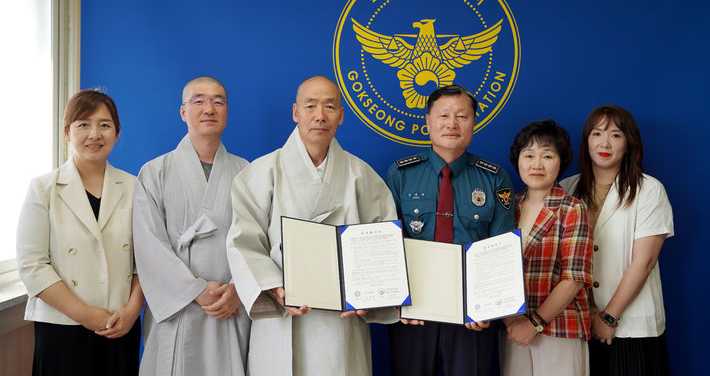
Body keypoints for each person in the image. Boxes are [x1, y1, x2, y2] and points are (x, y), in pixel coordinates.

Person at [226, 75, 397, 376]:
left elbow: (383, 244)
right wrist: (274, 288)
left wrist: (369, 294)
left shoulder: (363, 177)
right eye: (311, 106)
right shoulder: (262, 172)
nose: (320, 115)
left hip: (342, 320)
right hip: (284, 316)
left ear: (341, 115)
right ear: (295, 112)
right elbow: (243, 242)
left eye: (330, 106)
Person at [384, 84, 515, 376]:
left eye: (462, 116)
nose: (452, 124)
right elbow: (387, 244)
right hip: (413, 311)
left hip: (472, 313)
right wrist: (395, 300)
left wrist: (488, 307)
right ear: (428, 121)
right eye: (443, 115)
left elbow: (501, 247)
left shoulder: (493, 178)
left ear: (474, 122)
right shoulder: (401, 174)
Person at [16, 90, 143, 375]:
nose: (94, 134)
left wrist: (133, 309)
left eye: (104, 124)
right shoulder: (43, 189)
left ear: (117, 133)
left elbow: (146, 260)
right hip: (62, 326)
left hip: (119, 325)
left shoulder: (135, 188)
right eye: (83, 124)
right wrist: (85, 315)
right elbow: (32, 265)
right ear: (66, 133)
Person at [133, 76, 250, 376]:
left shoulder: (247, 172)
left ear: (226, 111)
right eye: (198, 100)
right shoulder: (155, 172)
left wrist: (239, 290)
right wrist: (194, 290)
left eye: (218, 101)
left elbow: (259, 242)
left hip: (228, 306)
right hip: (178, 307)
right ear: (183, 111)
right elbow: (148, 247)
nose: (209, 108)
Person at [560, 105, 673, 376]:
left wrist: (609, 316)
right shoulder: (566, 189)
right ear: (586, 140)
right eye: (597, 133)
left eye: (615, 135)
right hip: (580, 321)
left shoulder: (649, 190)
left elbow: (643, 262)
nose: (604, 143)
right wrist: (590, 312)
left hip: (632, 327)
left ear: (629, 143)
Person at [502, 120, 593, 376]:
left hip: (560, 327)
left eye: (547, 155)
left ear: (561, 161)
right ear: (518, 160)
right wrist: (512, 321)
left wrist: (534, 323)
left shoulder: (572, 209)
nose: (537, 164)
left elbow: (574, 279)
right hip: (513, 328)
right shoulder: (507, 207)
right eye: (529, 155)